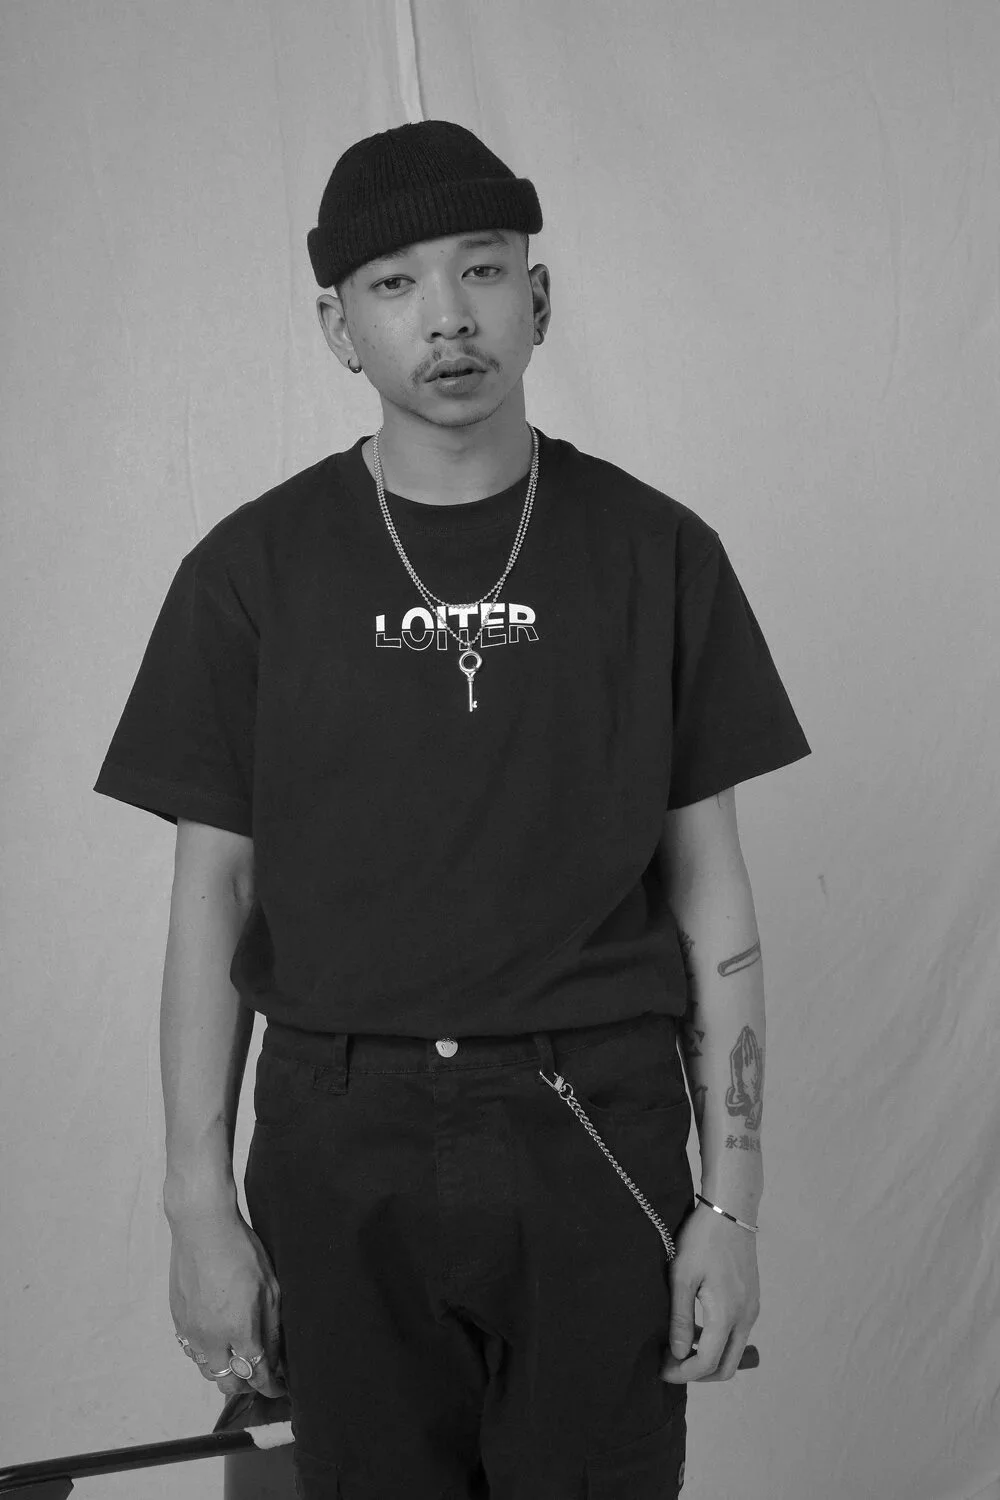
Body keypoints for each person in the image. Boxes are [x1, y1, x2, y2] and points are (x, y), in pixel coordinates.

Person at [94, 120, 811, 1500]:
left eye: (483, 271)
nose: (448, 318)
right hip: (337, 1123)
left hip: (589, 1118)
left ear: (538, 298)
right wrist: (198, 1203)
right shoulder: (249, 572)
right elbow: (213, 896)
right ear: (334, 324)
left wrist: (731, 1201)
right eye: (394, 285)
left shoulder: (657, 554)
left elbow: (712, 888)